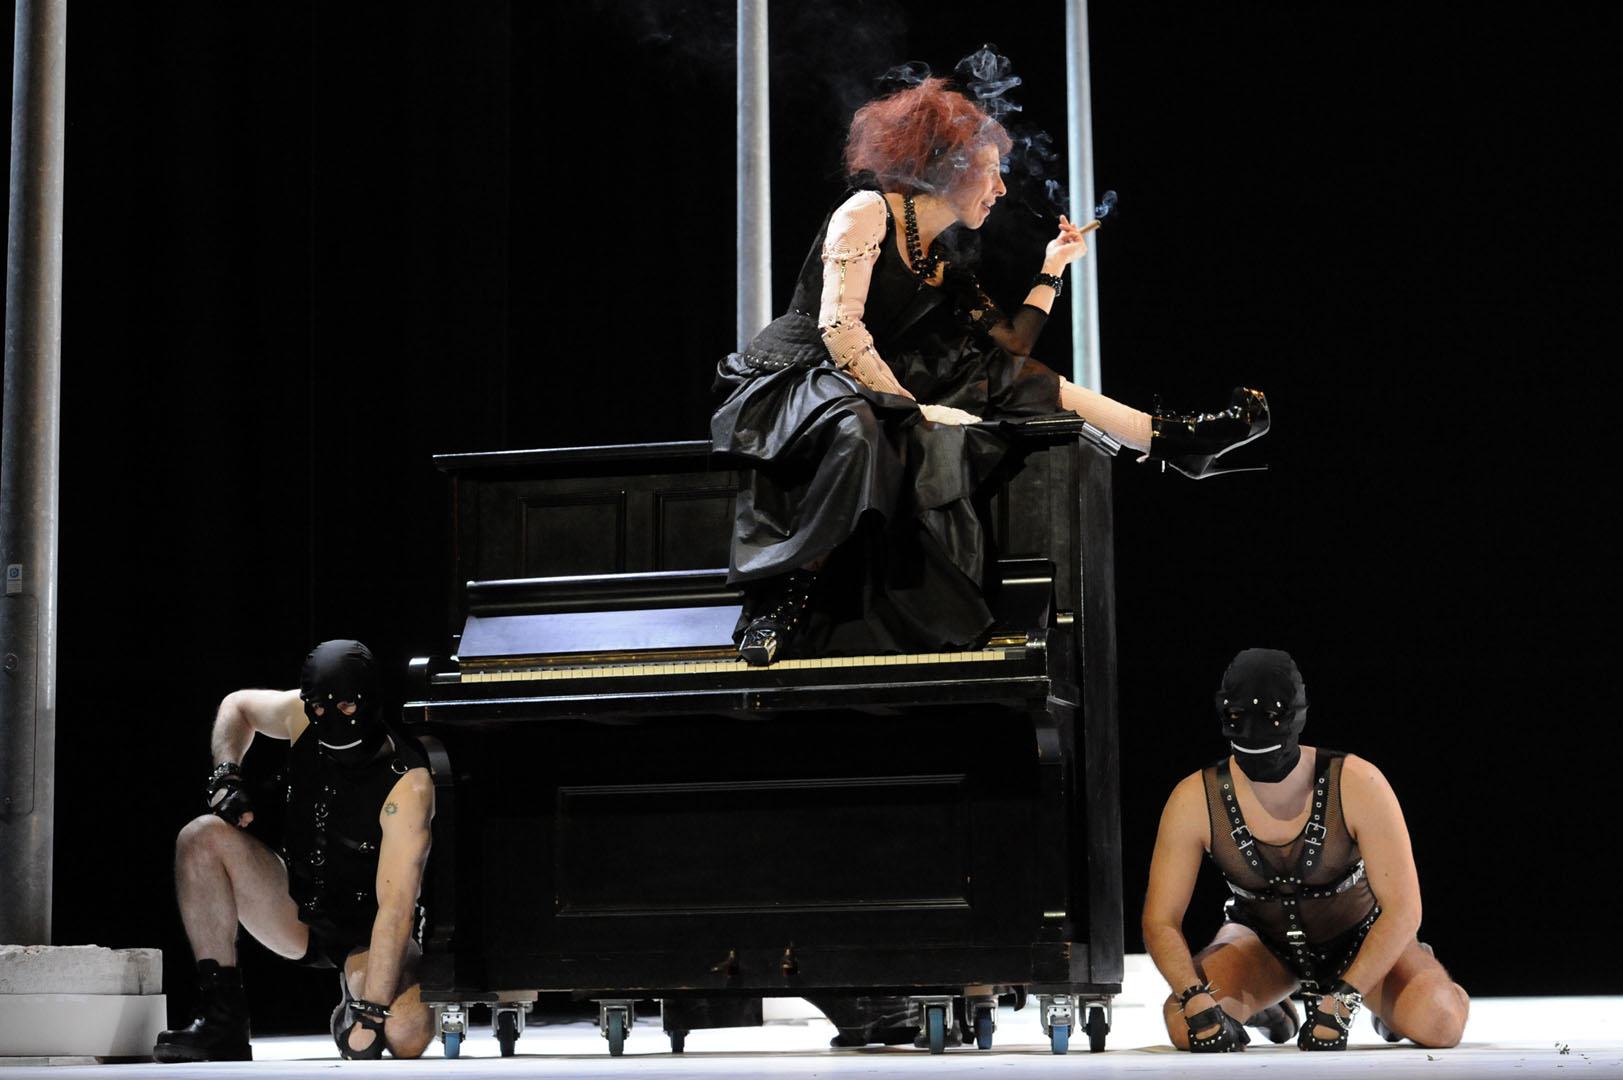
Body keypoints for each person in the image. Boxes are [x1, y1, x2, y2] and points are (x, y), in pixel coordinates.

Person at [711, 72, 1270, 667]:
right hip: (799, 377)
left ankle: (1170, 439)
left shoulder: (938, 261)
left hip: (865, 377)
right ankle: (782, 599)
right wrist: (916, 409)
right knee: (859, 427)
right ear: (948, 168)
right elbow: (840, 331)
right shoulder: (866, 211)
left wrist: (1053, 267)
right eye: (990, 170)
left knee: (998, 377)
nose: (1001, 189)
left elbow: (1013, 343)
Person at [1141, 648, 1469, 1052]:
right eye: (1240, 717)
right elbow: (1161, 919)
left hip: (1360, 940)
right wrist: (1194, 997)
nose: (1255, 733)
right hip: (1261, 947)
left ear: (1296, 717)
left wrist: (1344, 1000)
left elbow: (1403, 909)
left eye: (1270, 718)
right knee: (1186, 1025)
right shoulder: (1194, 799)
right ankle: (1264, 1004)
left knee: (1440, 1021)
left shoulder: (1358, 782)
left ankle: (1398, 994)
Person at [153, 639, 437, 1062]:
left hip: (369, 933)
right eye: (319, 707)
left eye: (345, 705)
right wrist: (226, 777)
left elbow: (395, 909)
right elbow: (237, 706)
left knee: (406, 1036)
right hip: (298, 908)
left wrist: (370, 1014)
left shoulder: (407, 782)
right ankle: (222, 1018)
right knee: (200, 837)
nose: (331, 717)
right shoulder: (300, 716)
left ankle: (354, 997)